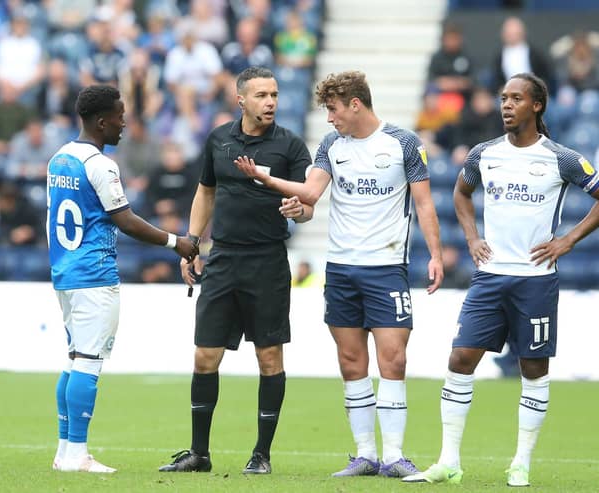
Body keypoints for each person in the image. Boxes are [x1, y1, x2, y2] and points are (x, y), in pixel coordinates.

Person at [235, 70, 444, 478]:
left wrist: (435, 254)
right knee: (351, 361)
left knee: (393, 359)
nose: (329, 119)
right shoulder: (332, 145)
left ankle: (395, 455)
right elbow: (310, 194)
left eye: (333, 109)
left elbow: (424, 205)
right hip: (343, 269)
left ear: (355, 103)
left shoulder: (403, 143)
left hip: (387, 269)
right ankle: (366, 454)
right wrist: (273, 184)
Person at [402, 73, 599, 487]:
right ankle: (449, 461)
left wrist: (567, 241)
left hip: (536, 281)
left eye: (516, 98)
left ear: (537, 105)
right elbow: (460, 193)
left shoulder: (561, 158)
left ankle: (521, 462)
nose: (506, 105)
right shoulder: (483, 154)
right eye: (503, 98)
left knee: (532, 369)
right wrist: (472, 238)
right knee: (459, 360)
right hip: (489, 279)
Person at [157, 66, 313, 475]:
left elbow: (308, 204)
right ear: (240, 99)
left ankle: (261, 455)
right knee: (205, 355)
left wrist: (300, 209)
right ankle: (199, 454)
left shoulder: (291, 146)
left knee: (269, 357)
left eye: (275, 95)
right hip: (223, 258)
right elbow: (205, 191)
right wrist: (191, 243)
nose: (271, 102)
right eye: (262, 95)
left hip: (267, 260)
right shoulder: (219, 140)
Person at [47, 85, 197, 474]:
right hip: (94, 275)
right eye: (118, 115)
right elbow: (125, 219)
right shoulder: (101, 165)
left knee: (75, 359)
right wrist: (174, 241)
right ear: (101, 121)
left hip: (65, 273)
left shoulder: (59, 159)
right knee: (89, 362)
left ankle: (65, 451)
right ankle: (77, 454)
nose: (123, 122)